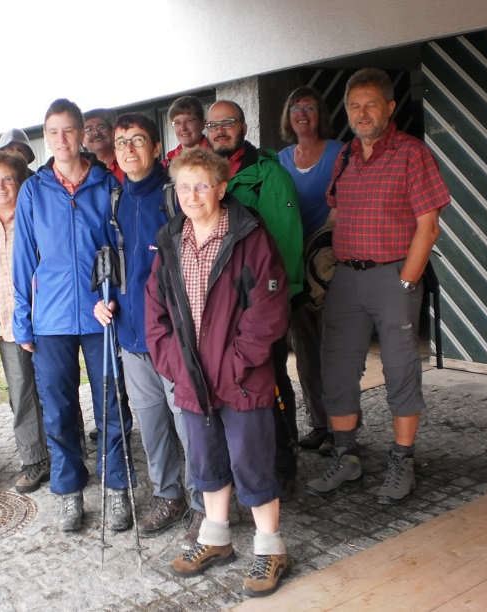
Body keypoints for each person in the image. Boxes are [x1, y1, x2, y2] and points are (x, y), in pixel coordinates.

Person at [145, 147, 291, 597]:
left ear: (221, 188)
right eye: (184, 186)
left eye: (202, 185)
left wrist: (234, 363)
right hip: (191, 378)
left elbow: (268, 310)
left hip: (242, 377)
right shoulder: (170, 239)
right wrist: (173, 363)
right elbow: (155, 312)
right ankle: (216, 538)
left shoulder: (249, 236)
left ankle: (271, 548)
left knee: (253, 460)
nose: (192, 195)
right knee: (205, 459)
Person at [306, 68, 448, 505]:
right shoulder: (346, 155)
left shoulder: (412, 154)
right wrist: (318, 264)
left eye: (370, 104)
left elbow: (429, 228)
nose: (361, 113)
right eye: (353, 106)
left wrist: (407, 280)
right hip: (346, 278)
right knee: (337, 368)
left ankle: (402, 460)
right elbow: (335, 215)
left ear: (389, 107)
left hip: (393, 275)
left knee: (401, 368)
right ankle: (347, 457)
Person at [13, 98, 134, 532]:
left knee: (110, 405)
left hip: (101, 314)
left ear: (82, 133)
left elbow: (120, 250)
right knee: (60, 410)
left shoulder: (106, 184)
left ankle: (117, 487)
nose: (61, 140)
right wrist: (22, 318)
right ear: (45, 137)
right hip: (51, 320)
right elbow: (24, 259)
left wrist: (118, 299)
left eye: (68, 130)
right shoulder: (33, 189)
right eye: (52, 132)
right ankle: (69, 491)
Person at [93, 113, 205, 545]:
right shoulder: (116, 199)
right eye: (121, 143)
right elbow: (103, 259)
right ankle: (168, 495)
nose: (128, 149)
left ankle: (202, 504)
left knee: (189, 424)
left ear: (157, 148)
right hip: (130, 335)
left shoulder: (174, 193)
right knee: (153, 423)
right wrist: (98, 300)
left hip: (175, 336)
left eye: (138, 140)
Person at [207, 100, 303, 499]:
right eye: (213, 125)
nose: (220, 131)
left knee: (272, 386)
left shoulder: (269, 176)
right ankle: (235, 473)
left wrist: (275, 309)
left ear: (244, 126)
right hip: (217, 313)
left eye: (228, 123)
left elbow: (285, 246)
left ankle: (283, 468)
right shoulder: (203, 177)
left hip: (260, 311)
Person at [0, 151, 50, 493]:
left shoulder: (36, 215)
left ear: (20, 182)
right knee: (21, 394)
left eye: (8, 179)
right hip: (5, 323)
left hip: (47, 317)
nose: (1, 186)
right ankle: (34, 460)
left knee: (55, 388)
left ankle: (67, 453)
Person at [278, 87, 344, 456]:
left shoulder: (338, 153)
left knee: (335, 348)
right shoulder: (282, 158)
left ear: (320, 114)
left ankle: (342, 428)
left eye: (310, 107)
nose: (302, 114)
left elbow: (345, 203)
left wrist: (323, 245)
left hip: (329, 262)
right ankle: (320, 425)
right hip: (294, 263)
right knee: (305, 348)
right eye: (296, 108)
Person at [164, 95, 210, 166]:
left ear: (203, 124)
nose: (183, 128)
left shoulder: (216, 157)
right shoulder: (167, 164)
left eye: (189, 120)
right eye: (177, 122)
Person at [83, 108, 123, 182]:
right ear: (82, 141)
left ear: (112, 133)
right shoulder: (81, 173)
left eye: (101, 127)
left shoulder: (128, 159)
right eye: (89, 129)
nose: (96, 133)